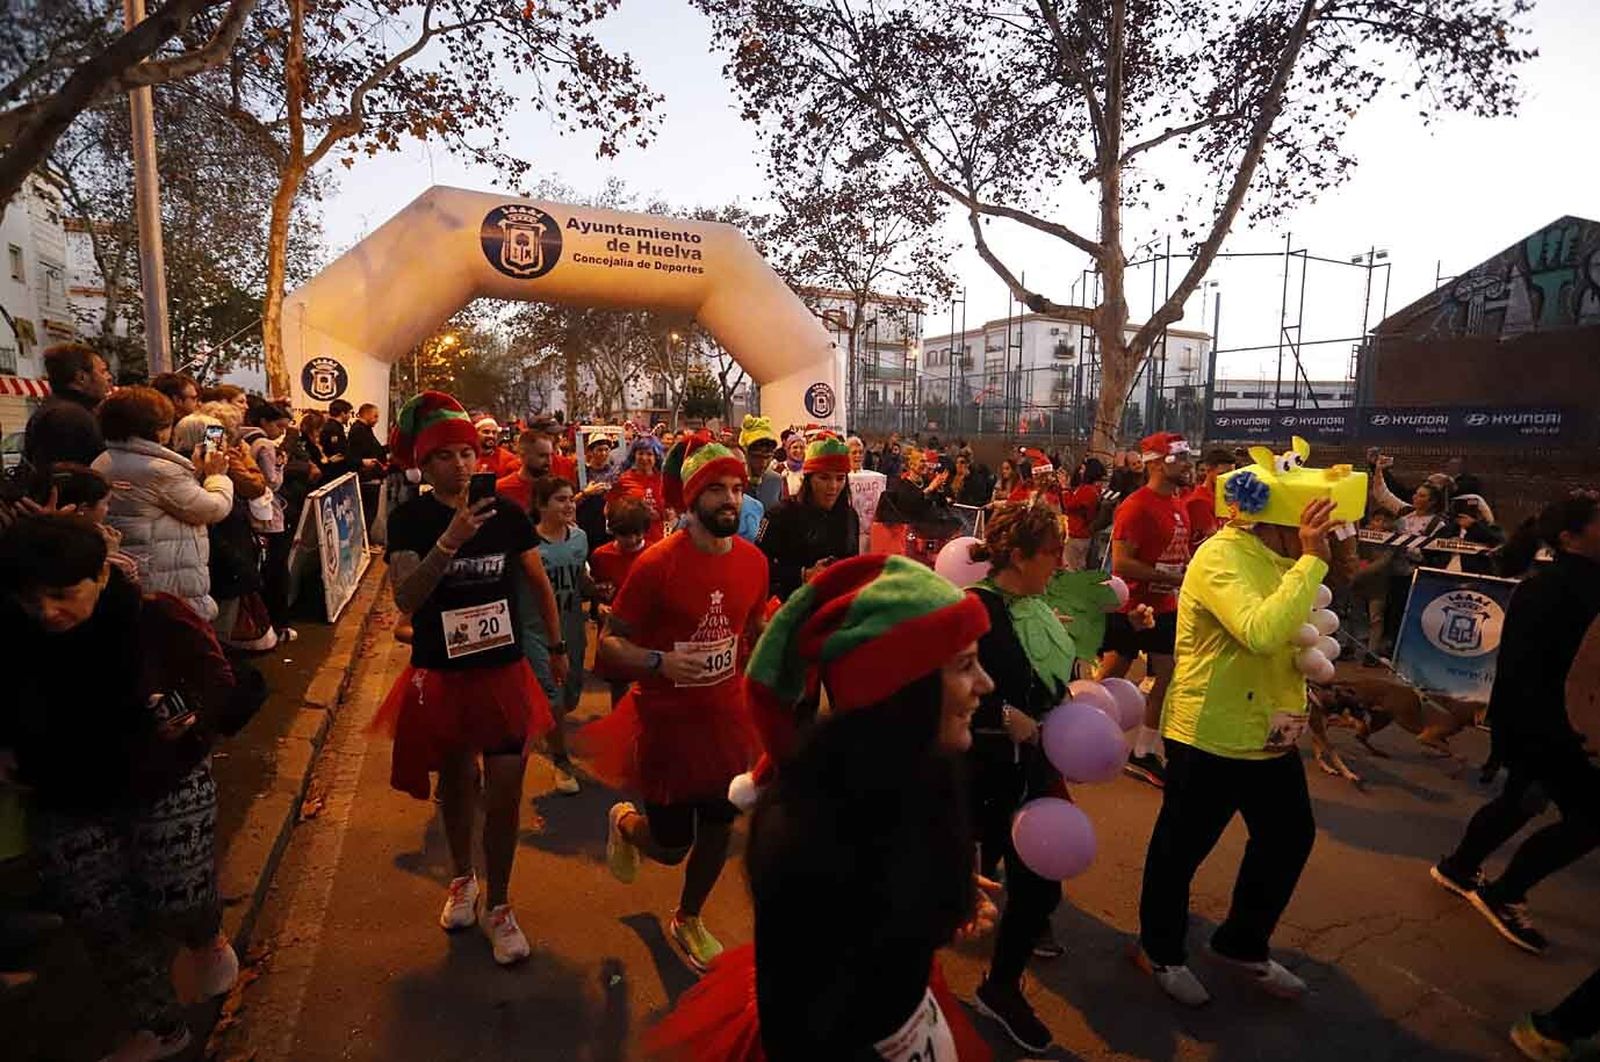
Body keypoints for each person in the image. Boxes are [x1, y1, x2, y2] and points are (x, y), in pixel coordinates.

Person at [645, 553, 997, 1062]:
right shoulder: (807, 833)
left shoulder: (927, 774)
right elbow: (797, 1025)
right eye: (964, 665)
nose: (986, 684)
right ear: (901, 688)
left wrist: (949, 892)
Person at [0, 514, 254, 1062]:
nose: (46, 611)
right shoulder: (12, 633)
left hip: (163, 780)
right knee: (103, 918)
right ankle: (158, 1027)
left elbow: (221, 681)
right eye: (29, 598)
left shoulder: (154, 617)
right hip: (64, 795)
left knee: (177, 895)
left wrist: (187, 715)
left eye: (62, 595)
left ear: (100, 576)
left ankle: (204, 936)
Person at [374, 391, 566, 966]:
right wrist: (449, 542)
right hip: (444, 673)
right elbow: (406, 597)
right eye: (445, 456)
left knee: (505, 792)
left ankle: (500, 904)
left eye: (466, 453)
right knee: (457, 785)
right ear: (424, 464)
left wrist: (556, 644)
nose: (460, 465)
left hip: (502, 672)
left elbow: (537, 580)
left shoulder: (505, 514)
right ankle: (462, 879)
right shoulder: (409, 520)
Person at [1133, 489, 1341, 1007]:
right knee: (1181, 851)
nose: (1323, 536)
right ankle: (1160, 949)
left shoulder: (1284, 558)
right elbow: (1260, 631)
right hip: (1211, 733)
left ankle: (1242, 943)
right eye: (1312, 524)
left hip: (1271, 732)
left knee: (1289, 838)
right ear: (1281, 521)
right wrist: (1311, 560)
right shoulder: (1221, 556)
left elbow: (1294, 632)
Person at [585, 435, 768, 973]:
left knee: (720, 824)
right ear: (692, 497)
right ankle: (625, 823)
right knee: (670, 848)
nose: (730, 500)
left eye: (736, 488)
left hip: (728, 720)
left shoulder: (755, 562)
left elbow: (754, 628)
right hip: (667, 725)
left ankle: (689, 917)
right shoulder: (657, 564)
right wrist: (659, 662)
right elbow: (611, 643)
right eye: (716, 489)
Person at [1429, 492, 1600, 955]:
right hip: (1552, 729)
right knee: (1589, 820)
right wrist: (1550, 735)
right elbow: (1523, 674)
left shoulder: (1580, 584)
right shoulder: (1549, 590)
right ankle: (1505, 893)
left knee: (1519, 802)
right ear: (1569, 536)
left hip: (1552, 728)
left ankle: (1459, 868)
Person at [964, 504, 1073, 1052]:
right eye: (1052, 552)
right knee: (949, 891)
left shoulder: (1035, 605)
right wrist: (1002, 714)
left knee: (1040, 887)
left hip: (1030, 771)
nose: (1061, 562)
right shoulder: (972, 609)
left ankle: (1001, 987)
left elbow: (1052, 677)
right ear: (1017, 556)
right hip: (975, 775)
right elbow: (939, 684)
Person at [1100, 432, 1195, 788]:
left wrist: (1185, 572)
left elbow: (1177, 552)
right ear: (1156, 463)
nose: (1187, 465)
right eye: (1179, 458)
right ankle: (1082, 732)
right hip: (1131, 606)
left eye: (1187, 457)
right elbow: (1122, 563)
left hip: (1165, 606)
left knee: (1166, 675)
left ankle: (1143, 750)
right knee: (1112, 676)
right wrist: (1169, 577)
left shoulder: (1179, 502)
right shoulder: (1136, 506)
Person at [93, 387, 234, 622]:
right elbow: (212, 509)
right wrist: (217, 476)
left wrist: (195, 472)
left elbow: (166, 500)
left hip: (135, 573)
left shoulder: (105, 459)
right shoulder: (159, 470)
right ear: (157, 428)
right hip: (167, 581)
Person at [523, 476, 591, 795]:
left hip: (571, 626)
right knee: (553, 698)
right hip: (536, 632)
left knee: (572, 694)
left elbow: (580, 580)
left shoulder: (580, 538)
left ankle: (545, 726)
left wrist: (597, 591)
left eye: (571, 498)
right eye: (560, 500)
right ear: (541, 505)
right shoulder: (528, 546)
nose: (569, 505)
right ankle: (561, 759)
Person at [183, 404, 270, 648]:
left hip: (224, 545)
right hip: (218, 546)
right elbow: (216, 507)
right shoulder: (187, 469)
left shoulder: (229, 455)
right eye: (214, 435)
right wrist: (217, 474)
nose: (218, 442)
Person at [755, 433, 858, 601]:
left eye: (840, 478)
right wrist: (803, 574)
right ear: (809, 479)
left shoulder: (850, 516)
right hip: (791, 606)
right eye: (824, 478)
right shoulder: (781, 514)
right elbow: (757, 565)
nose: (833, 486)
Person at [242, 400, 299, 643]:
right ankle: (278, 623)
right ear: (265, 422)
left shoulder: (242, 439)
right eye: (278, 426)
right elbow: (272, 482)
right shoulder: (264, 445)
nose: (281, 432)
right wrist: (281, 464)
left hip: (248, 513)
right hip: (267, 515)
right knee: (276, 569)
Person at [23, 342, 113, 470]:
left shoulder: (55, 409)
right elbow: (79, 474)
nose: (109, 377)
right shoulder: (71, 417)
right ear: (81, 378)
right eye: (103, 371)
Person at [610, 434, 669, 544]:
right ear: (634, 455)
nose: (644, 458)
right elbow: (609, 510)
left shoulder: (664, 480)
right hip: (630, 541)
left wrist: (660, 515)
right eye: (640, 453)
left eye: (649, 454)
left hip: (656, 540)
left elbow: (670, 512)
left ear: (656, 457)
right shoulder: (623, 480)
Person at [346, 402, 389, 527]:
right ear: (367, 414)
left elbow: (376, 450)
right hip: (366, 479)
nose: (377, 420)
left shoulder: (365, 430)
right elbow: (361, 453)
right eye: (375, 416)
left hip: (371, 477)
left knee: (370, 513)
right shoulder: (359, 431)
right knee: (367, 513)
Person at [495, 427, 554, 514]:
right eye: (542, 456)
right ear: (523, 455)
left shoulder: (554, 488)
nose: (549, 461)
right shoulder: (501, 489)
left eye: (550, 455)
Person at [1185, 448, 1236, 548]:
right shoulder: (1199, 500)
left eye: (1231, 474)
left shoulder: (1227, 497)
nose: (1228, 479)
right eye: (1222, 474)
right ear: (1208, 470)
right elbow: (1213, 538)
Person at [1062, 457, 1106, 570]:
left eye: (1082, 469)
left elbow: (1070, 505)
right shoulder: (1091, 489)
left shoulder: (1088, 490)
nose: (1080, 472)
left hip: (1078, 534)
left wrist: (1065, 488)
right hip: (1079, 533)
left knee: (1073, 568)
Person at [738, 415, 785, 511]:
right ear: (746, 453)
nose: (763, 463)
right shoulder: (735, 481)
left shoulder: (775, 480)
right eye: (757, 457)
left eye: (768, 457)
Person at [317, 399, 353, 477]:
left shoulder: (331, 426)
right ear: (343, 413)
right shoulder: (334, 429)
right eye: (349, 413)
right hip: (334, 471)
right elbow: (339, 451)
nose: (350, 416)